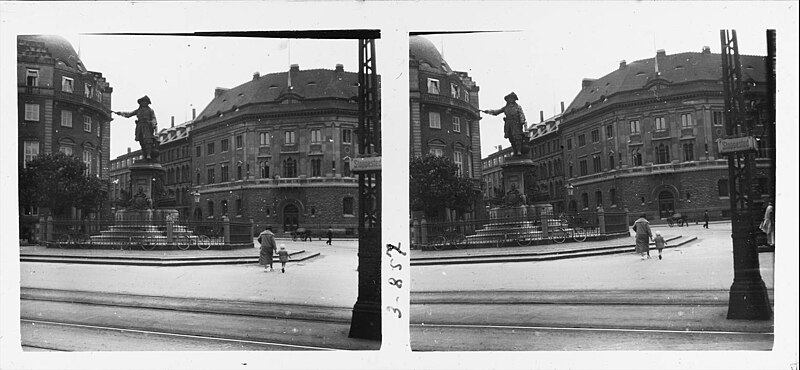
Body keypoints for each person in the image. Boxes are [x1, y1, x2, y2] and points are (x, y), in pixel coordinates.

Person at [482, 92, 527, 156]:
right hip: (508, 124)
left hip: (516, 123)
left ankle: (519, 150)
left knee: (517, 137)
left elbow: (521, 114)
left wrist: (522, 121)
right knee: (511, 137)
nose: (511, 100)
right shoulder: (506, 108)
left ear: (514, 99)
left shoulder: (518, 107)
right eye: (509, 98)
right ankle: (515, 150)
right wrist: (488, 111)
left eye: (512, 98)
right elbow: (497, 112)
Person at [114, 95, 158, 160]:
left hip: (147, 127)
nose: (143, 103)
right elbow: (129, 114)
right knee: (141, 141)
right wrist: (121, 113)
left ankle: (148, 154)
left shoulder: (150, 110)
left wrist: (154, 125)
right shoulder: (138, 111)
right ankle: (144, 154)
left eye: (145, 102)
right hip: (140, 127)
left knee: (148, 140)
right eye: (142, 102)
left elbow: (154, 118)